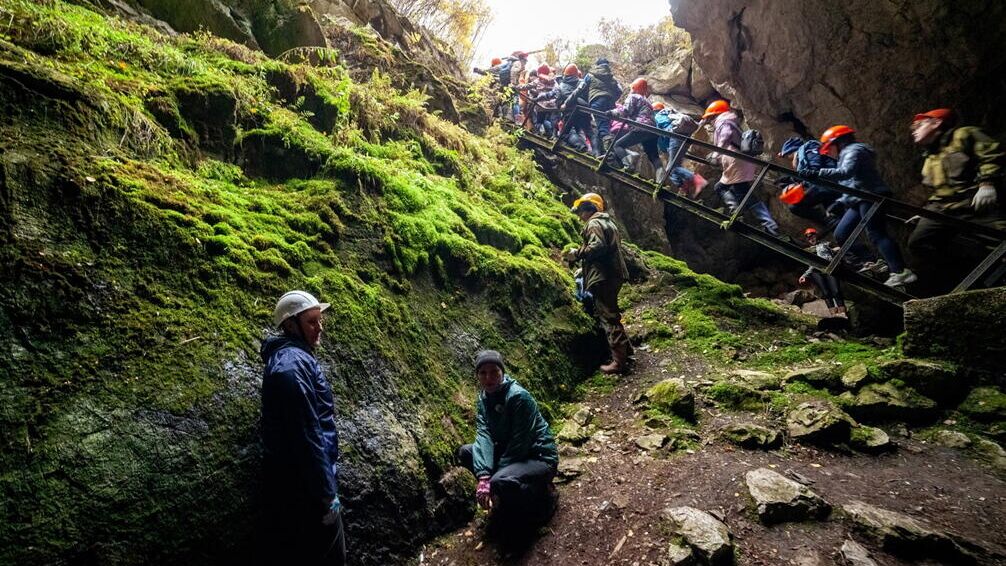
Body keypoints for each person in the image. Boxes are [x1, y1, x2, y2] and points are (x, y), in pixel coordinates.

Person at [260, 291, 346, 566]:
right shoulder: (290, 367)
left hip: (305, 485)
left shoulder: (295, 359)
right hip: (306, 491)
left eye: (320, 321)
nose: (319, 328)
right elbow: (306, 433)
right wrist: (325, 493)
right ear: (289, 325)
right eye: (311, 322)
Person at [456, 350, 559, 540]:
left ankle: (544, 499)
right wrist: (484, 476)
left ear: (502, 372)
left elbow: (520, 443)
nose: (489, 378)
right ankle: (508, 497)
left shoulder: (518, 397)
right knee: (466, 452)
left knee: (499, 481)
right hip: (510, 454)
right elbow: (484, 435)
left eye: (494, 371)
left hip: (538, 457)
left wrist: (492, 482)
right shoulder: (484, 398)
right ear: (477, 376)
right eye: (483, 373)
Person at [800, 125, 917, 287]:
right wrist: (839, 203)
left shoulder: (854, 150)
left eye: (829, 147)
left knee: (876, 233)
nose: (828, 152)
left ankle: (900, 271)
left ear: (838, 142)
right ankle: (870, 261)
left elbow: (846, 172)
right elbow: (851, 183)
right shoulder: (846, 154)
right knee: (841, 233)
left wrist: (817, 173)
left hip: (870, 196)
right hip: (858, 199)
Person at [906, 108, 1005, 294]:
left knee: (1000, 240)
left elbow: (992, 154)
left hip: (973, 202)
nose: (914, 129)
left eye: (919, 125)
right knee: (919, 243)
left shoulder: (964, 134)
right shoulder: (930, 156)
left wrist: (987, 183)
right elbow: (939, 189)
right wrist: (925, 212)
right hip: (943, 208)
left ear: (936, 123)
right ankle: (967, 274)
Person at [565, 193, 631, 374]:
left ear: (589, 209)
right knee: (612, 312)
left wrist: (577, 253)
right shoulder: (608, 222)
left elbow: (598, 246)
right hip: (614, 274)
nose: (580, 216)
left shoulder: (594, 223)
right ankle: (626, 351)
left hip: (604, 276)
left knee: (608, 315)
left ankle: (619, 362)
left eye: (581, 211)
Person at [704, 99, 781, 236]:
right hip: (740, 162)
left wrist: (716, 154)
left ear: (715, 115)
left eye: (710, 118)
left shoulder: (724, 121)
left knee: (744, 194)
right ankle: (738, 212)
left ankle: (769, 225)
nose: (709, 121)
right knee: (722, 187)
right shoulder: (731, 121)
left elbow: (726, 136)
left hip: (737, 163)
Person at [777, 136, 842, 228]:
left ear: (790, 152)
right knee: (839, 227)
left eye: (788, 156)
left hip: (828, 184)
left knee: (795, 207)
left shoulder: (808, 147)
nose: (789, 160)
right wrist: (792, 179)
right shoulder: (804, 155)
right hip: (826, 187)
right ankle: (832, 221)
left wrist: (796, 180)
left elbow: (814, 168)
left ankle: (827, 220)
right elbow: (809, 174)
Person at [566, 58, 623, 157]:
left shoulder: (591, 75)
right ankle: (608, 153)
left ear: (597, 65)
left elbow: (579, 90)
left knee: (602, 127)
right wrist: (612, 99)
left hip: (597, 102)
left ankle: (610, 156)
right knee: (605, 126)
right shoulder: (612, 78)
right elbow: (619, 91)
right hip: (610, 104)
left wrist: (567, 102)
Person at [607, 78, 663, 180]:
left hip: (641, 128)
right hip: (653, 131)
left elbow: (625, 111)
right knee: (653, 156)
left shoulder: (633, 97)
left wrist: (612, 113)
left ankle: (629, 165)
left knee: (617, 145)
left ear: (634, 88)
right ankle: (661, 180)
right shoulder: (647, 101)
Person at [654, 102, 707, 197]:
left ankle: (696, 180)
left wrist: (663, 148)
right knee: (673, 166)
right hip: (685, 137)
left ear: (654, 110)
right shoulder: (671, 113)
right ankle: (684, 188)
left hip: (676, 136)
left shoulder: (658, 116)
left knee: (671, 168)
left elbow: (664, 133)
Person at [536, 64, 590, 151]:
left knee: (565, 133)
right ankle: (593, 151)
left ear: (566, 74)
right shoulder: (582, 83)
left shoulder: (562, 86)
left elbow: (553, 95)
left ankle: (581, 146)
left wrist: (539, 97)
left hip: (569, 111)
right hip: (584, 110)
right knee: (585, 132)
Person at [799, 228, 846, 316]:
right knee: (826, 292)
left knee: (836, 291)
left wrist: (836, 250)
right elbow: (811, 265)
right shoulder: (808, 250)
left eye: (812, 236)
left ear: (816, 235)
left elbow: (834, 252)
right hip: (816, 271)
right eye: (808, 238)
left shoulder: (826, 244)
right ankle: (833, 314)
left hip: (829, 269)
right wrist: (804, 275)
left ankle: (842, 313)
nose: (811, 239)